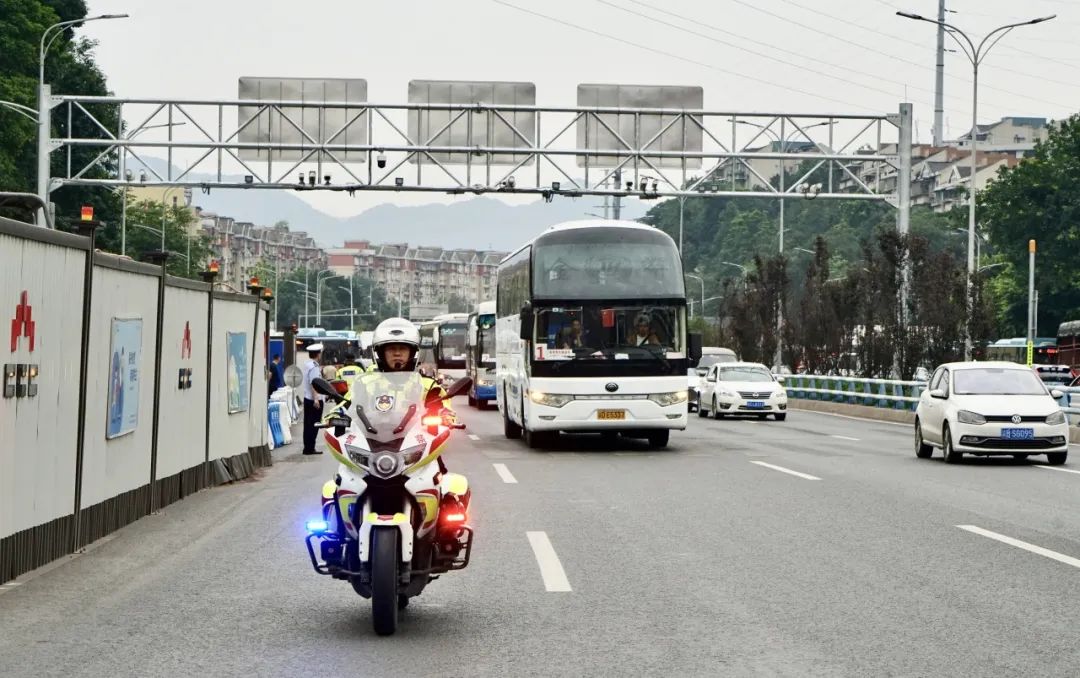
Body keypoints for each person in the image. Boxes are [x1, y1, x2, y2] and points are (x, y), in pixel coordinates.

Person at [319, 318, 470, 510]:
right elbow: (345, 405)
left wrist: (445, 416)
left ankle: (447, 530)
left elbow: (443, 406)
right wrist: (334, 417)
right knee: (342, 483)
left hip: (413, 446)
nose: (397, 353)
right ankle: (339, 526)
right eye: (391, 349)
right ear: (380, 353)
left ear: (412, 353)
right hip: (371, 444)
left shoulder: (426, 384)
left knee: (445, 489)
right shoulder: (365, 383)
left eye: (403, 349)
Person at [301, 343, 325, 455]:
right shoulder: (314, 367)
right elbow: (314, 384)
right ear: (318, 354)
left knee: (308, 425)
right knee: (314, 425)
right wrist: (316, 399)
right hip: (313, 400)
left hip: (307, 398)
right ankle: (310, 448)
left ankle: (307, 448)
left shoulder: (307, 365)